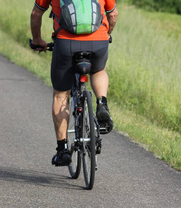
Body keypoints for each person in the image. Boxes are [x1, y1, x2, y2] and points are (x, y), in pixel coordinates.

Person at [30, 0, 118, 166]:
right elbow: (112, 14)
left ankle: (62, 150)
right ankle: (102, 103)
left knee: (61, 94)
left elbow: (36, 14)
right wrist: (107, 34)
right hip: (98, 42)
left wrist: (37, 39)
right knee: (99, 71)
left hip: (66, 43)